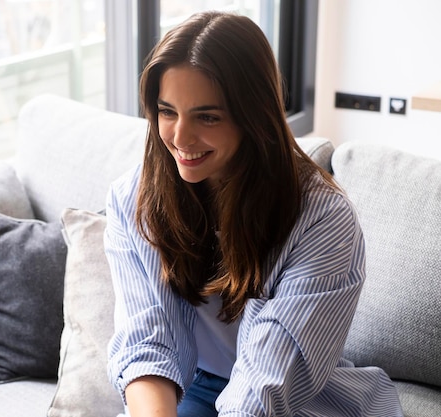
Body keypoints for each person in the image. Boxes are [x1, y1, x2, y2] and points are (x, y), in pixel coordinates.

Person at [103, 10, 403, 417]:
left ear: (254, 117)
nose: (179, 137)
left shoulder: (324, 220)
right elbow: (148, 344)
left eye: (207, 116)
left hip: (298, 397)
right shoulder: (132, 201)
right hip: (195, 385)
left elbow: (265, 383)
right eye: (167, 111)